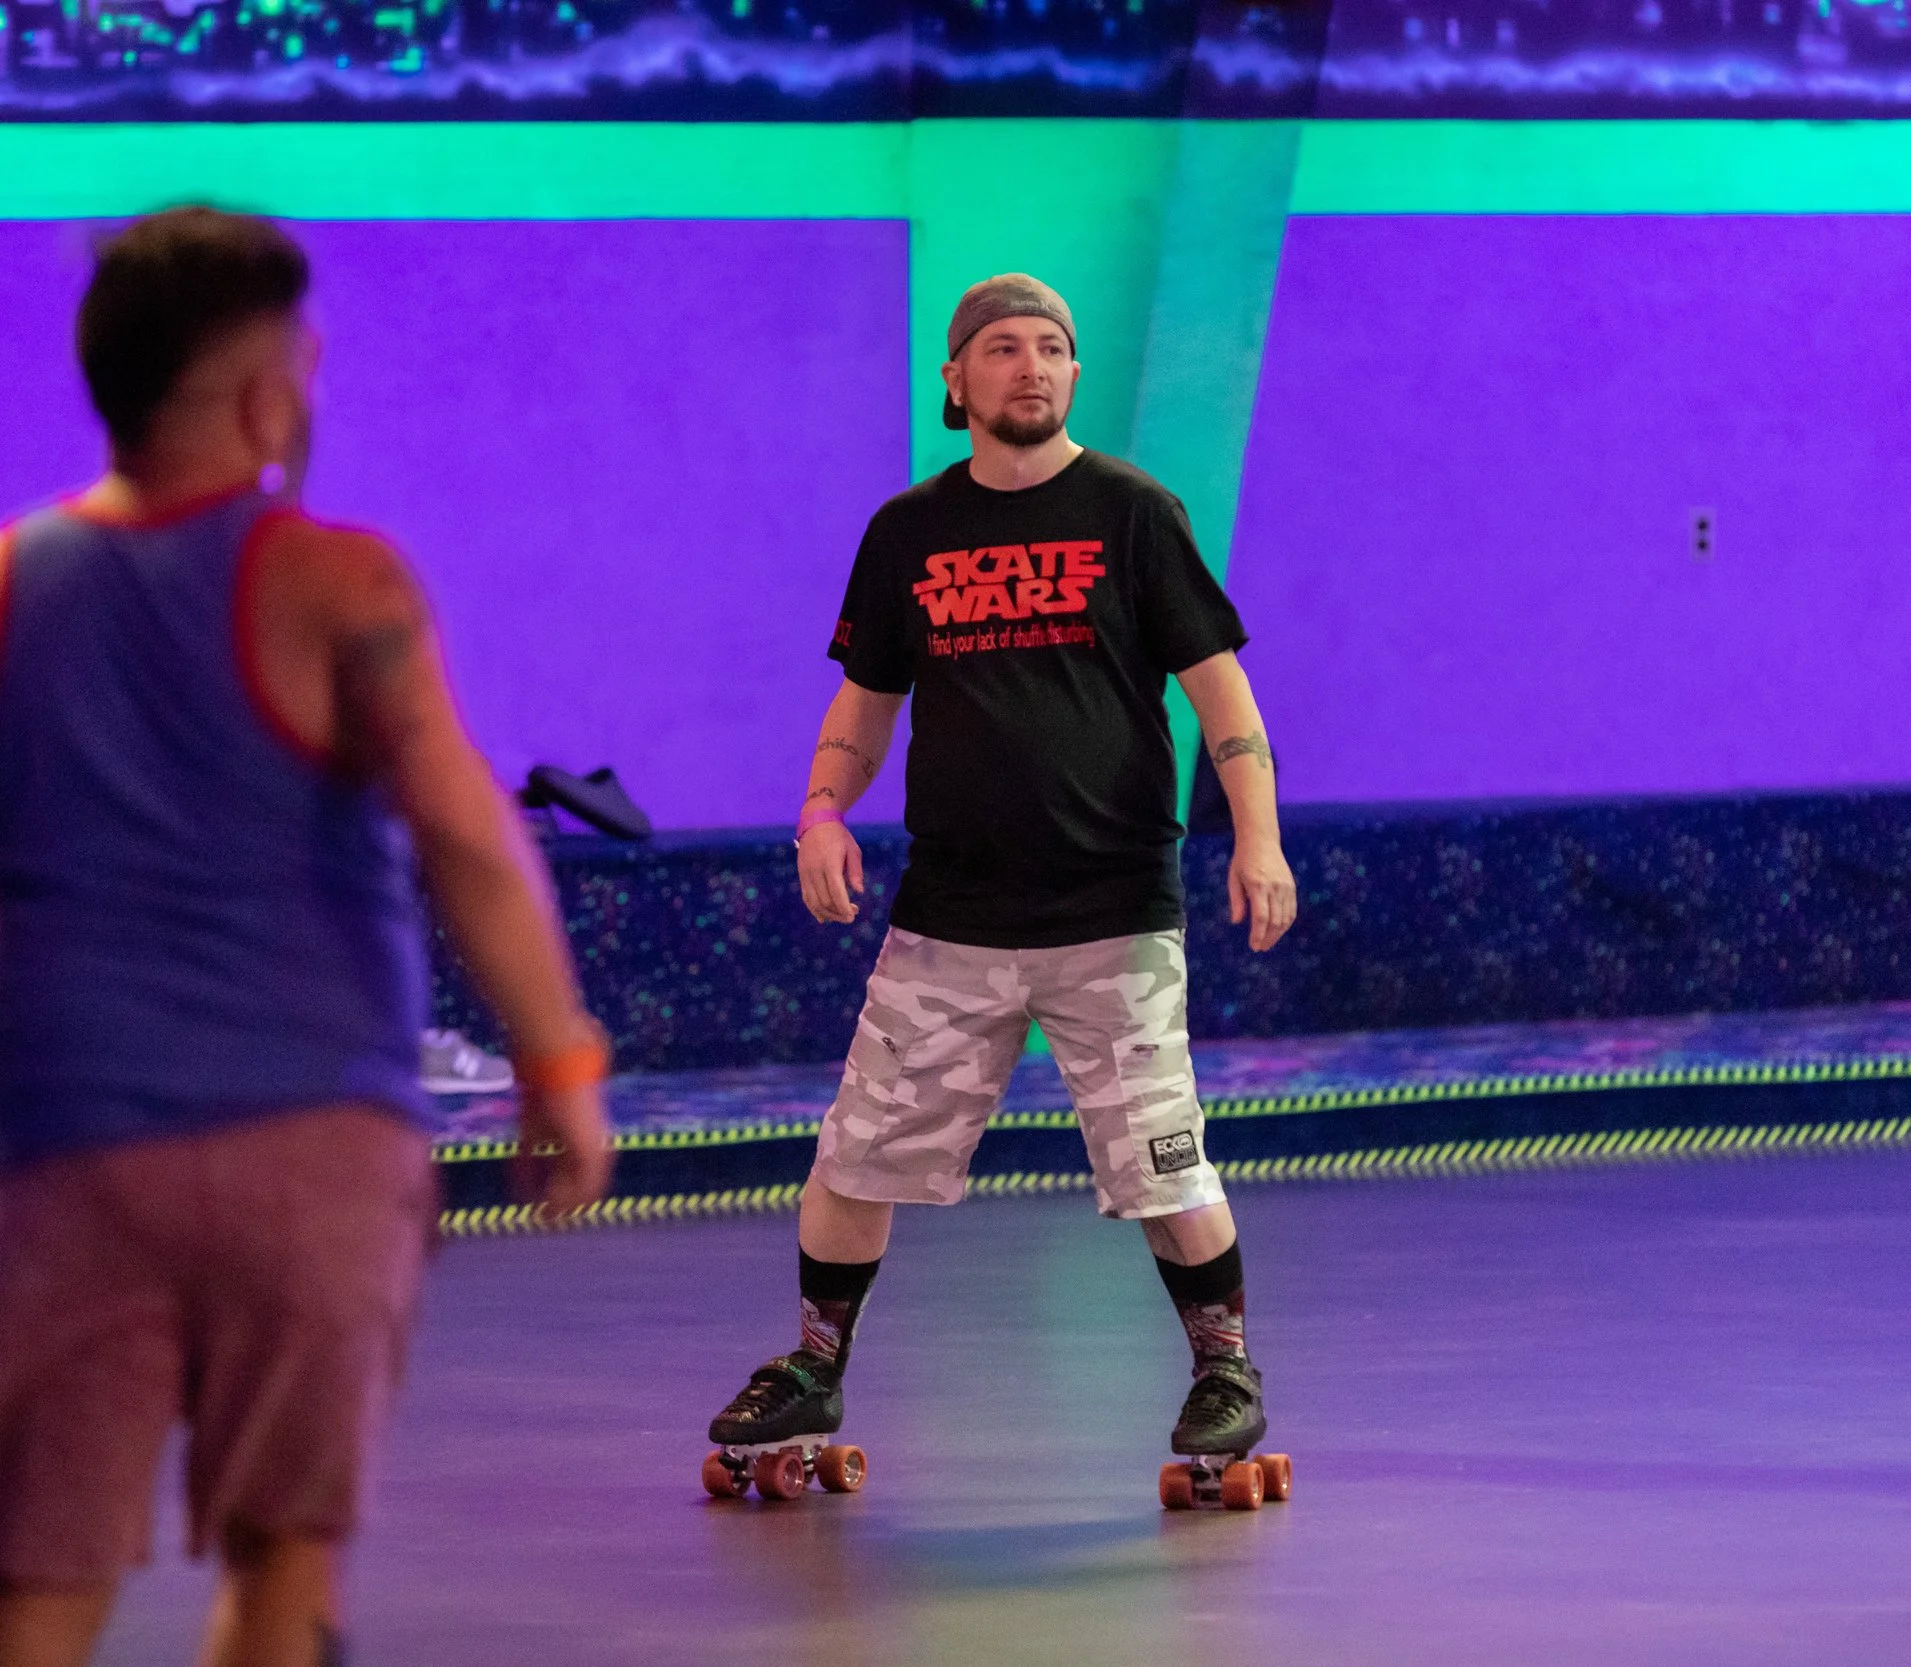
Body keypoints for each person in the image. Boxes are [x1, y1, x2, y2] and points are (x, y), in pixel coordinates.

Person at [0, 208, 613, 1667]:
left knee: (39, 1569)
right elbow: (466, 833)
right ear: (269, 396)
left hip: (63, 1145)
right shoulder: (340, 581)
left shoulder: (15, 581)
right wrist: (559, 1061)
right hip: (309, 1141)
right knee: (287, 1555)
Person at [706, 274, 1297, 1476]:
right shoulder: (908, 532)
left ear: (1073, 375)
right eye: (1003, 349)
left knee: (1160, 1155)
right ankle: (813, 1363)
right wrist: (823, 808)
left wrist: (1259, 832)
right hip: (953, 912)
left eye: (1052, 349)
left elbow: (1220, 693)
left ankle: (1224, 1367)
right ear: (955, 380)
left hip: (1112, 908)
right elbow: (864, 707)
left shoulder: (1134, 513)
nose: (1031, 366)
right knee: (856, 1154)